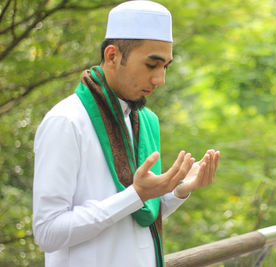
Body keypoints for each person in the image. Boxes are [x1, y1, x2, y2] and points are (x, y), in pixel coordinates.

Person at [32, 1, 220, 267]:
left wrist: (178, 190)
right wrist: (136, 194)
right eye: (151, 65)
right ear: (112, 56)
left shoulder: (144, 120)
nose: (160, 79)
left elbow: (139, 219)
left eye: (165, 66)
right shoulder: (67, 121)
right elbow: (48, 232)